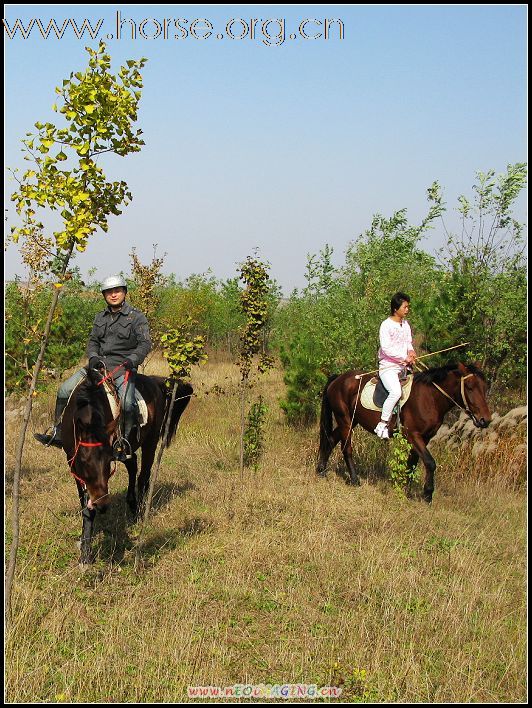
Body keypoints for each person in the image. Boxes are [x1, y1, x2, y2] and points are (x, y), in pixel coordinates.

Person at [34, 274, 152, 461]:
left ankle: (124, 441)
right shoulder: (100, 317)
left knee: (128, 404)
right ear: (104, 295)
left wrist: (133, 359)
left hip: (123, 368)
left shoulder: (136, 317)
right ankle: (57, 431)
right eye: (109, 292)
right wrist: (94, 356)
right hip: (97, 366)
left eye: (117, 291)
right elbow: (93, 342)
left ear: (125, 292)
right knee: (64, 390)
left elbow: (145, 344)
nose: (113, 295)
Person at [374, 291, 417, 439]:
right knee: (396, 392)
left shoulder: (405, 324)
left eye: (407, 307)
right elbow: (386, 348)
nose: (407, 310)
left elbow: (408, 342)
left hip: (404, 367)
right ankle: (383, 424)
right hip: (388, 367)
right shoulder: (386, 325)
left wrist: (411, 353)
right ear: (395, 308)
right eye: (405, 307)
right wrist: (403, 357)